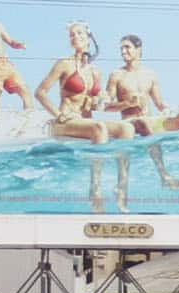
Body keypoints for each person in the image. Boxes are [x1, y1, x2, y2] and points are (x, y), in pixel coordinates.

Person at [34, 23, 133, 209]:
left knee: (126, 127)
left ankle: (122, 187)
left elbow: (100, 105)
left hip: (86, 121)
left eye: (79, 33)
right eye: (71, 35)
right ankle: (95, 191)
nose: (75, 37)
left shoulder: (96, 72)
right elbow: (40, 93)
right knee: (99, 127)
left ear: (89, 36)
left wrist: (125, 104)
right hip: (65, 121)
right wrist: (58, 114)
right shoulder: (64, 63)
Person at [105, 34, 179, 191]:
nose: (123, 52)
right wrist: (126, 104)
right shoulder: (116, 75)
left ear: (138, 49)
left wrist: (169, 110)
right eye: (121, 48)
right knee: (143, 122)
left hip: (152, 120)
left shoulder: (150, 74)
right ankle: (165, 177)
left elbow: (159, 103)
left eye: (127, 47)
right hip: (131, 123)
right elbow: (107, 106)